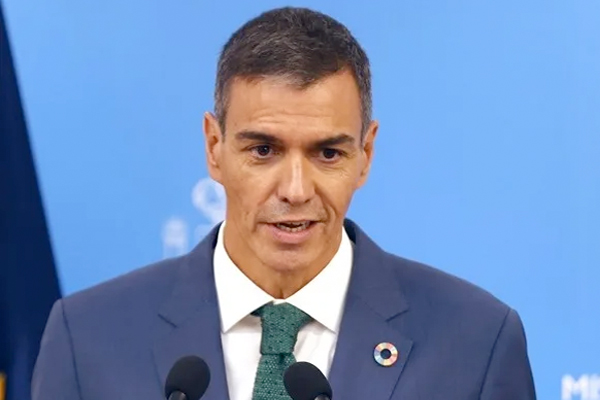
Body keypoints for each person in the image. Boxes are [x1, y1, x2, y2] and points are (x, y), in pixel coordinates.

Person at [32, 6, 536, 400]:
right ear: (214, 147)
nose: (295, 190)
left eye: (328, 153)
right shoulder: (89, 339)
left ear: (366, 155)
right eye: (263, 150)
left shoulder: (475, 343)